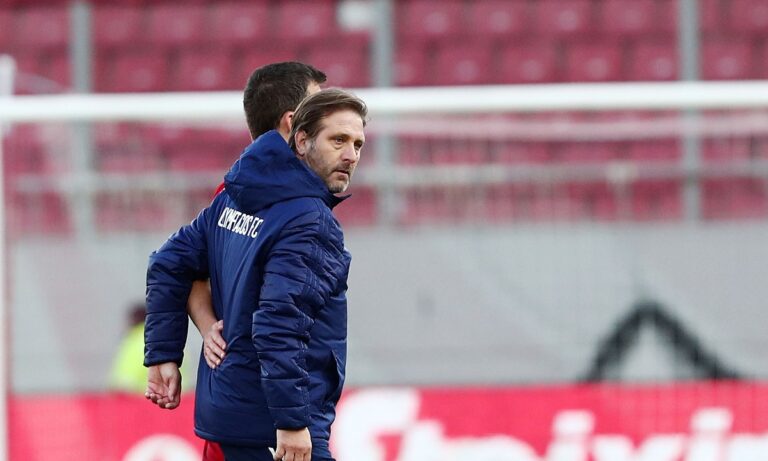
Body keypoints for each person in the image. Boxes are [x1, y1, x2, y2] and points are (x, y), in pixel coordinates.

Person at [144, 88, 368, 461]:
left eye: (358, 144)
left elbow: (168, 261)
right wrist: (292, 422)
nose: (351, 155)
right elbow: (280, 323)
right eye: (338, 140)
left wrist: (164, 354)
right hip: (274, 426)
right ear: (301, 139)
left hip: (228, 413)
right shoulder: (308, 219)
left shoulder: (234, 196)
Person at [182, 62, 326, 371]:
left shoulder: (228, 196)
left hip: (231, 382)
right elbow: (279, 329)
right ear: (292, 122)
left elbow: (176, 264)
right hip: (264, 388)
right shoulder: (295, 211)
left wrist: (208, 329)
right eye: (319, 108)